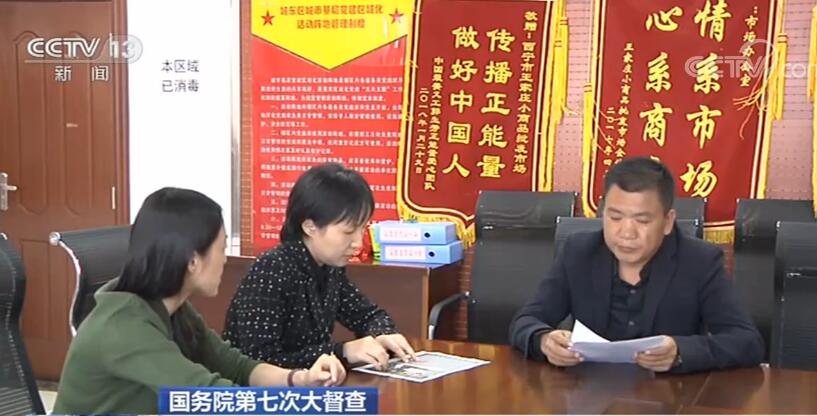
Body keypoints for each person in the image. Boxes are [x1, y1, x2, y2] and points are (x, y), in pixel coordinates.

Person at [54, 187, 346, 414]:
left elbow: (236, 367)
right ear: (193, 261)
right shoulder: (124, 328)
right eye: (221, 248)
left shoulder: (173, 309)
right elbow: (209, 397)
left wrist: (301, 380)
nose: (224, 260)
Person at [509, 157, 764, 373]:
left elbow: (747, 342)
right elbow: (526, 320)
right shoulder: (579, 252)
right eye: (615, 217)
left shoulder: (700, 261)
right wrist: (543, 340)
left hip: (669, 398)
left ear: (667, 221)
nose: (626, 233)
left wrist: (680, 351)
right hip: (589, 395)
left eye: (642, 220)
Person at [224, 163, 416, 371]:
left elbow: (367, 315)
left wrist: (383, 333)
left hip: (309, 385)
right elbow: (259, 361)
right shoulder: (271, 270)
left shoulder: (328, 267)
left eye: (363, 228)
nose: (358, 243)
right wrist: (342, 351)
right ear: (310, 227)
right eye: (348, 231)